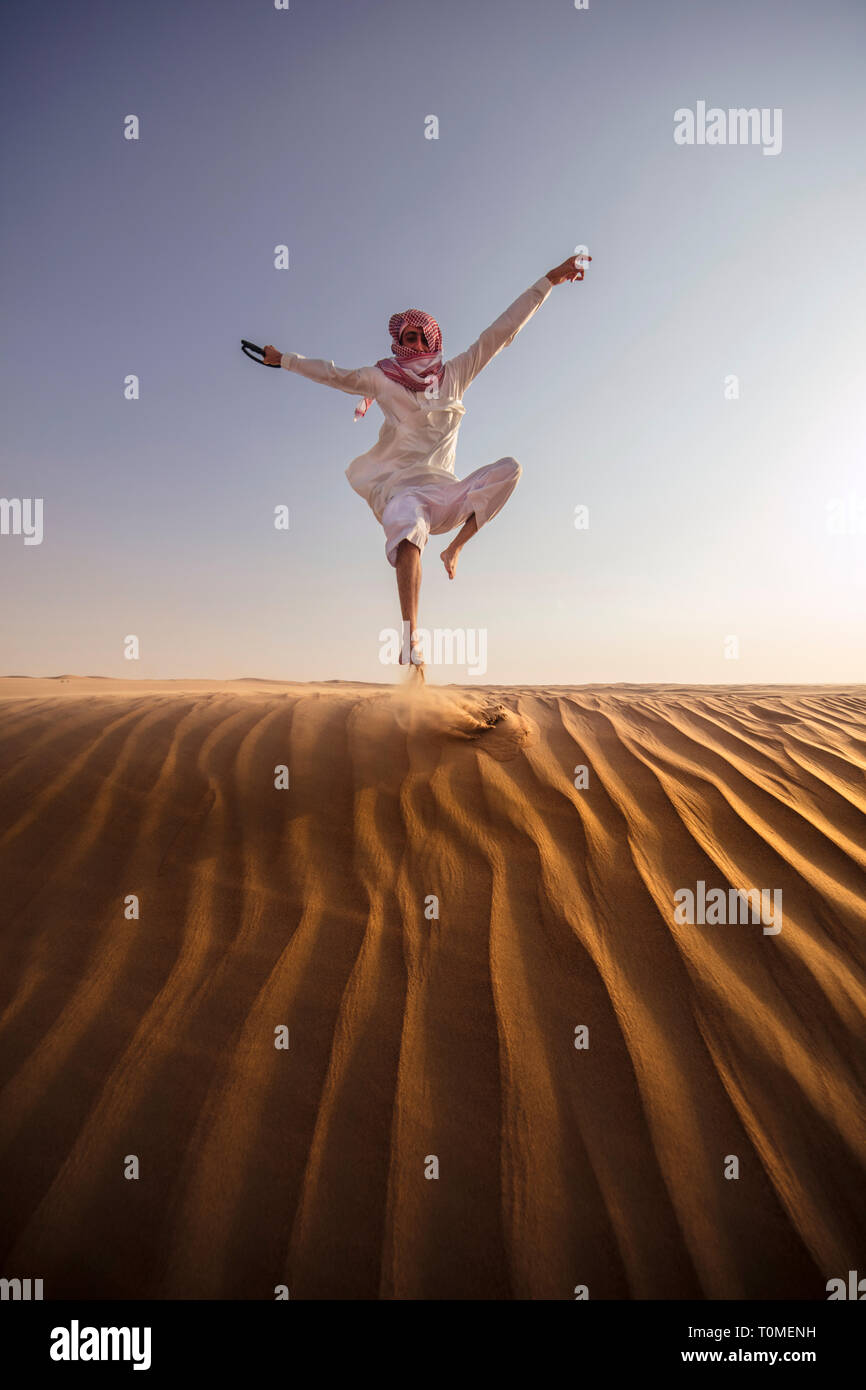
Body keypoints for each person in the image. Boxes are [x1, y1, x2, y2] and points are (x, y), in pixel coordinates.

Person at [263, 252, 591, 676]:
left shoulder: (455, 374)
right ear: (400, 342)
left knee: (510, 468)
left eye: (422, 339)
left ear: (433, 342)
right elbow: (333, 374)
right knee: (405, 520)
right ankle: (411, 639)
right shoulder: (381, 378)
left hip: (447, 493)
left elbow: (502, 333)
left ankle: (454, 550)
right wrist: (282, 359)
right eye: (408, 338)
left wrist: (549, 279)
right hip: (402, 490)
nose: (415, 345)